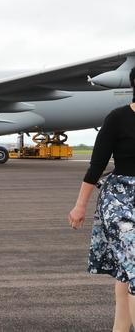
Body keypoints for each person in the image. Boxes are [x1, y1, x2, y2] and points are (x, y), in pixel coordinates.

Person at [69, 66, 135, 331]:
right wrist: (79, 205)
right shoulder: (117, 118)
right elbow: (96, 167)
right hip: (119, 199)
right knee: (133, 259)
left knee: (126, 270)